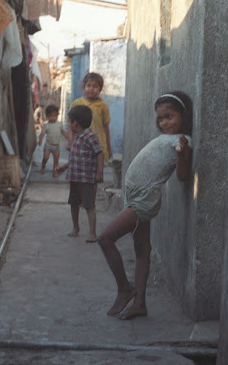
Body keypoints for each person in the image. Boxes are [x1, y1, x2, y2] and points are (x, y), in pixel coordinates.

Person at [97, 91, 193, 320]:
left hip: (145, 198)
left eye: (170, 116)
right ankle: (139, 303)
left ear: (184, 116)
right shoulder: (169, 138)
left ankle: (125, 289)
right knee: (142, 250)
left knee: (105, 238)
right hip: (135, 194)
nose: (164, 123)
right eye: (160, 119)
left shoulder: (184, 142)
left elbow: (182, 175)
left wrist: (182, 155)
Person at [55, 105, 104, 243]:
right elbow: (76, 158)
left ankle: (92, 233)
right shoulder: (77, 138)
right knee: (73, 203)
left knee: (89, 205)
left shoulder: (89, 137)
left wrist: (99, 172)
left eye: (70, 121)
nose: (69, 124)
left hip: (87, 179)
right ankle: (75, 228)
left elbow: (99, 153)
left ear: (75, 123)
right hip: (75, 178)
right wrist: (64, 167)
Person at [69, 73, 111, 162]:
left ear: (100, 89)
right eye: (88, 85)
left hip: (99, 144)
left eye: (95, 86)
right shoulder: (77, 103)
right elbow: (71, 124)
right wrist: (71, 141)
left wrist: (108, 147)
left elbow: (105, 127)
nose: (91, 88)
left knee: (98, 170)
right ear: (84, 87)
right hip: (81, 144)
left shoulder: (102, 106)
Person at [38, 105, 69, 176]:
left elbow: (63, 132)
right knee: (45, 158)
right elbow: (42, 134)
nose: (52, 117)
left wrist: (69, 138)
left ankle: (55, 171)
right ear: (47, 116)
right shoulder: (46, 125)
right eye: (50, 115)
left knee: (56, 160)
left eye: (55, 115)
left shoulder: (59, 124)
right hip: (48, 145)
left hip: (56, 146)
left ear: (57, 115)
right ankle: (43, 166)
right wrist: (40, 140)